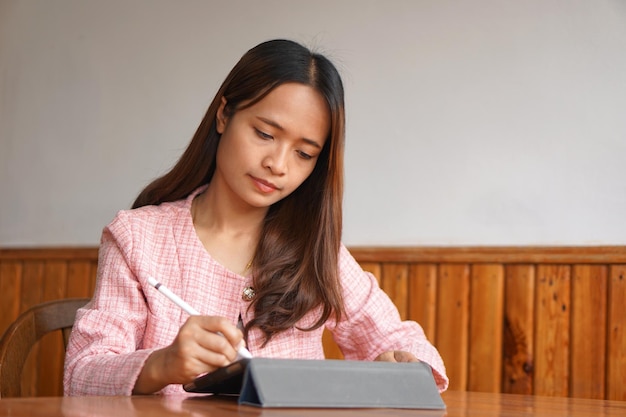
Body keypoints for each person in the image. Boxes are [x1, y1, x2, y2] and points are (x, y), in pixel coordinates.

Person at [63, 39, 448, 396]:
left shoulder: (314, 252)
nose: (277, 165)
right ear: (223, 115)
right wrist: (162, 365)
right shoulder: (138, 238)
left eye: (304, 154)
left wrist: (400, 364)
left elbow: (400, 341)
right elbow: (81, 373)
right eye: (265, 134)